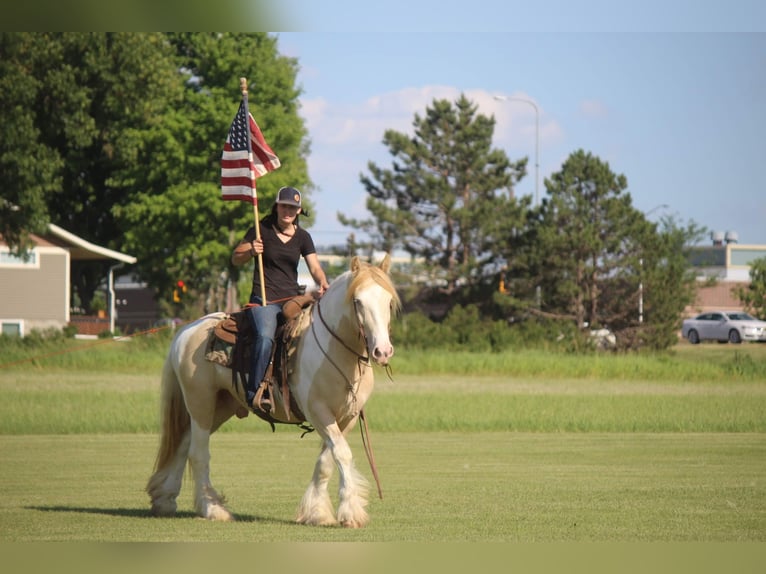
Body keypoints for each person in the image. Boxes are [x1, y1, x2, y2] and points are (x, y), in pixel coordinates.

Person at [231, 186, 329, 412]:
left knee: (314, 333)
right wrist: (251, 252)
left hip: (292, 300)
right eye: (284, 206)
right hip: (263, 300)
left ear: (299, 210)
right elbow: (236, 258)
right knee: (265, 337)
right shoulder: (260, 230)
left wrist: (323, 281)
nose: (288, 211)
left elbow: (314, 267)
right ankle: (254, 392)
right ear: (276, 206)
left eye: (292, 208)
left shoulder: (303, 237)